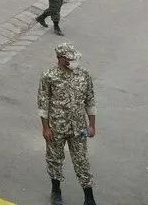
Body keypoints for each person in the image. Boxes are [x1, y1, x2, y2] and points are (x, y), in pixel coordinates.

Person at [37, 43, 97, 205]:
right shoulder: (49, 76)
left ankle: (89, 197)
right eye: (70, 59)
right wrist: (45, 128)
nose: (74, 61)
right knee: (54, 159)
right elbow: (43, 104)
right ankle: (56, 191)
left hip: (79, 128)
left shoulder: (84, 75)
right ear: (61, 59)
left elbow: (90, 100)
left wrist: (91, 125)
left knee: (82, 161)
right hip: (56, 128)